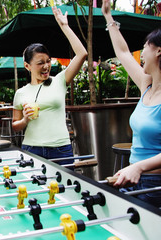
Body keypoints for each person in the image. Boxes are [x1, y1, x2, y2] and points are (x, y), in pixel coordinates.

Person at [102, 0, 161, 207]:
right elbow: (123, 53)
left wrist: (139, 167)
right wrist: (108, 17)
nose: (141, 53)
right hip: (133, 176)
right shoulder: (147, 84)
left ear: (158, 51)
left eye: (145, 47)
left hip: (155, 186)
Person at [12, 7, 87, 165]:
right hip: (32, 148)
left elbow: (82, 54)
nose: (46, 66)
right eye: (40, 63)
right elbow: (15, 125)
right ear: (27, 66)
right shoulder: (21, 93)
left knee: (65, 189)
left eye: (48, 61)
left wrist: (64, 26)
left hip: (60, 148)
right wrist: (25, 119)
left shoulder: (60, 80)